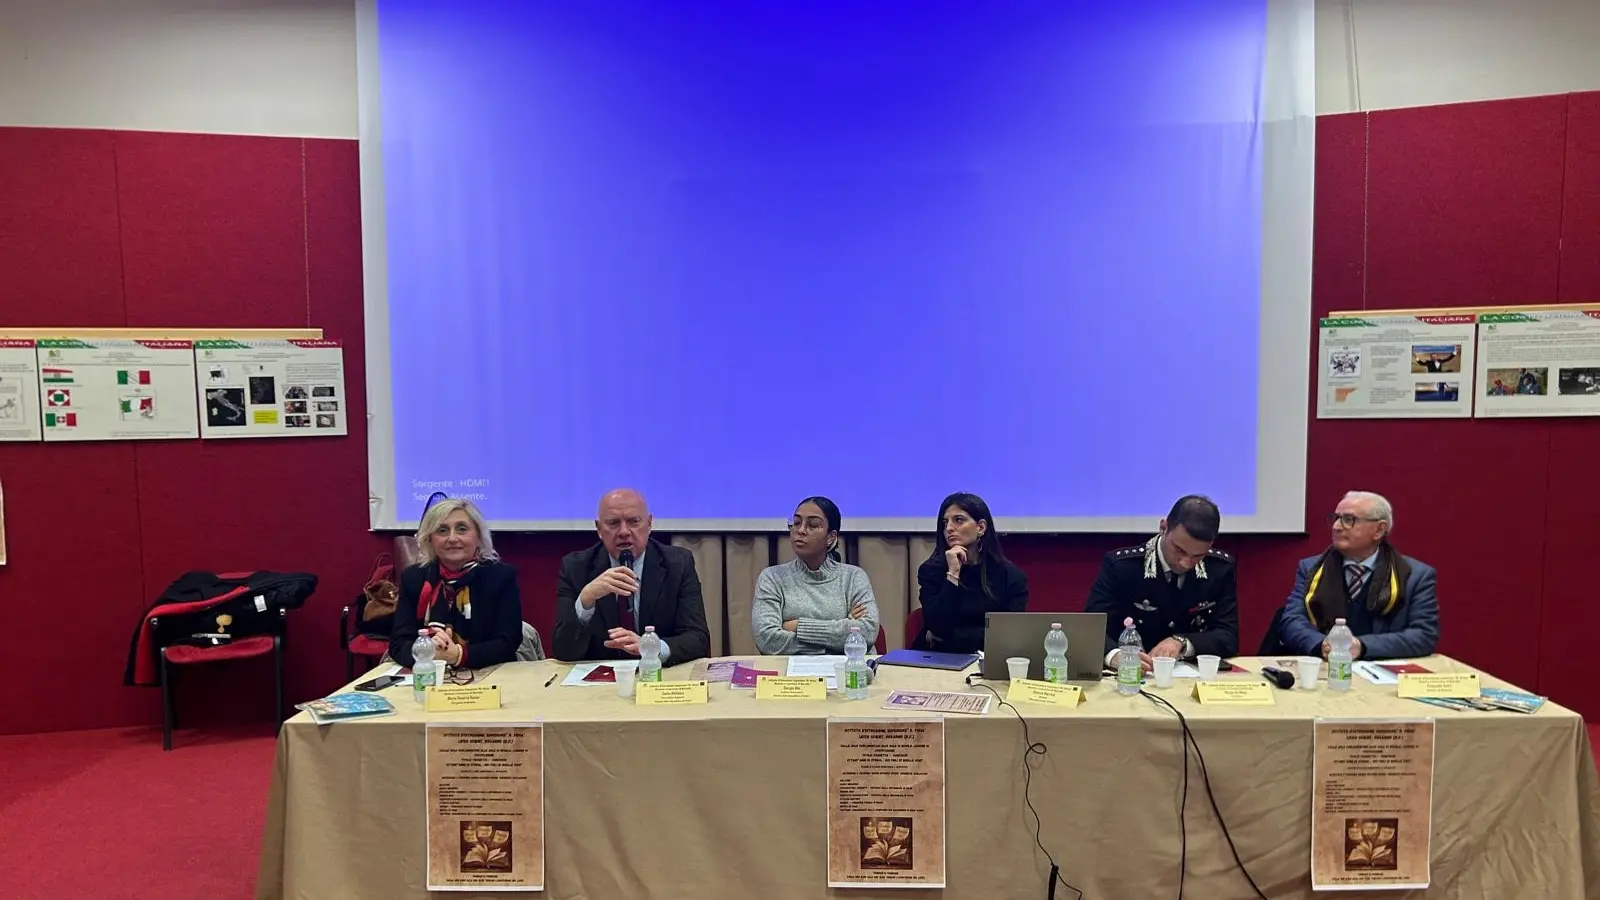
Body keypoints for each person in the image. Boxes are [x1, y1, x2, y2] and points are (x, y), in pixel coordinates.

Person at [552, 488, 711, 664]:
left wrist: (651, 647)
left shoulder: (678, 563)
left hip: (658, 671)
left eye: (634, 522)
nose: (624, 532)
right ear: (599, 529)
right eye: (613, 523)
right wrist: (586, 600)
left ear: (649, 524)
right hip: (600, 676)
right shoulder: (575, 568)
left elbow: (698, 639)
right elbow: (563, 651)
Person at [1279, 491, 1440, 661]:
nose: (1336, 526)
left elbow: (1424, 635)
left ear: (1379, 529)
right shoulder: (1310, 568)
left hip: (1382, 670)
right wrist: (1320, 644)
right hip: (1325, 666)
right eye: (1336, 518)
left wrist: (1362, 646)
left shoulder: (1416, 576)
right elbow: (1291, 621)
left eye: (1348, 519)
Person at [1086, 494, 1238, 671]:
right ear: (1163, 528)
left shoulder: (1219, 569)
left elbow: (1228, 636)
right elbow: (1092, 628)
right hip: (1131, 674)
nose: (1186, 563)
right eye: (1179, 550)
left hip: (1190, 674)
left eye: (1198, 556)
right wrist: (1115, 656)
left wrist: (1182, 642)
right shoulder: (1122, 566)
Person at [388, 498, 524, 670]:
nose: (452, 538)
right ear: (430, 539)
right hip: (429, 671)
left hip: (487, 671)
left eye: (462, 529)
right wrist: (428, 652)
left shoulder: (501, 577)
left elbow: (508, 642)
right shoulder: (413, 578)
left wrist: (458, 655)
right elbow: (399, 643)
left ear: (479, 537)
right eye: (442, 530)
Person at [751, 496, 880, 655]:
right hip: (792, 670)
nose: (801, 530)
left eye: (812, 525)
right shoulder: (772, 578)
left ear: (831, 537)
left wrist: (797, 626)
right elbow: (767, 639)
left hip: (847, 667)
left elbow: (867, 632)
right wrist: (839, 635)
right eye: (796, 523)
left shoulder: (853, 577)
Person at [913, 492, 1028, 653]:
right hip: (938, 658)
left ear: (981, 527)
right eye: (945, 523)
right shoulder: (932, 570)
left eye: (958, 520)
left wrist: (952, 637)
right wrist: (953, 574)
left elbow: (1007, 634)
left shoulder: (1011, 577)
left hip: (988, 658)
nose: (949, 528)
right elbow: (938, 626)